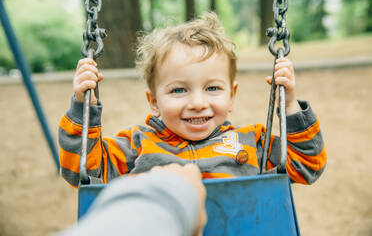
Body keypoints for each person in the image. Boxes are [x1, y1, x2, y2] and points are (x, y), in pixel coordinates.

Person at [58, 12, 326, 187]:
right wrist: (84, 108)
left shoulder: (252, 144)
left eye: (212, 89)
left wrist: (289, 106)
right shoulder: (136, 145)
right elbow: (84, 173)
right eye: (178, 90)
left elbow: (306, 165)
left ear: (232, 96)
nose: (198, 102)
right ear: (153, 101)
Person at [56, 164, 207, 236]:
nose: (198, 104)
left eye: (213, 97)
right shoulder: (135, 142)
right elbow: (88, 170)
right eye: (179, 98)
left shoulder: (231, 141)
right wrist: (85, 106)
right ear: (154, 104)